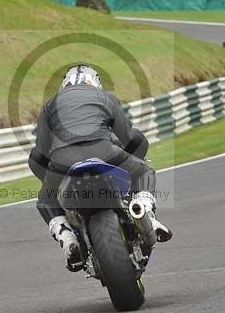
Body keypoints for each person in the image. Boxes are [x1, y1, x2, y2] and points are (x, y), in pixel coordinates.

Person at [28, 64, 173, 270]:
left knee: (45, 199)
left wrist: (50, 180)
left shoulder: (49, 106)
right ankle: (146, 213)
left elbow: (40, 152)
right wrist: (133, 159)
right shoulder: (105, 97)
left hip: (63, 162)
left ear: (64, 85)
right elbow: (129, 137)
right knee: (144, 171)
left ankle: (67, 237)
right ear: (94, 82)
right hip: (105, 152)